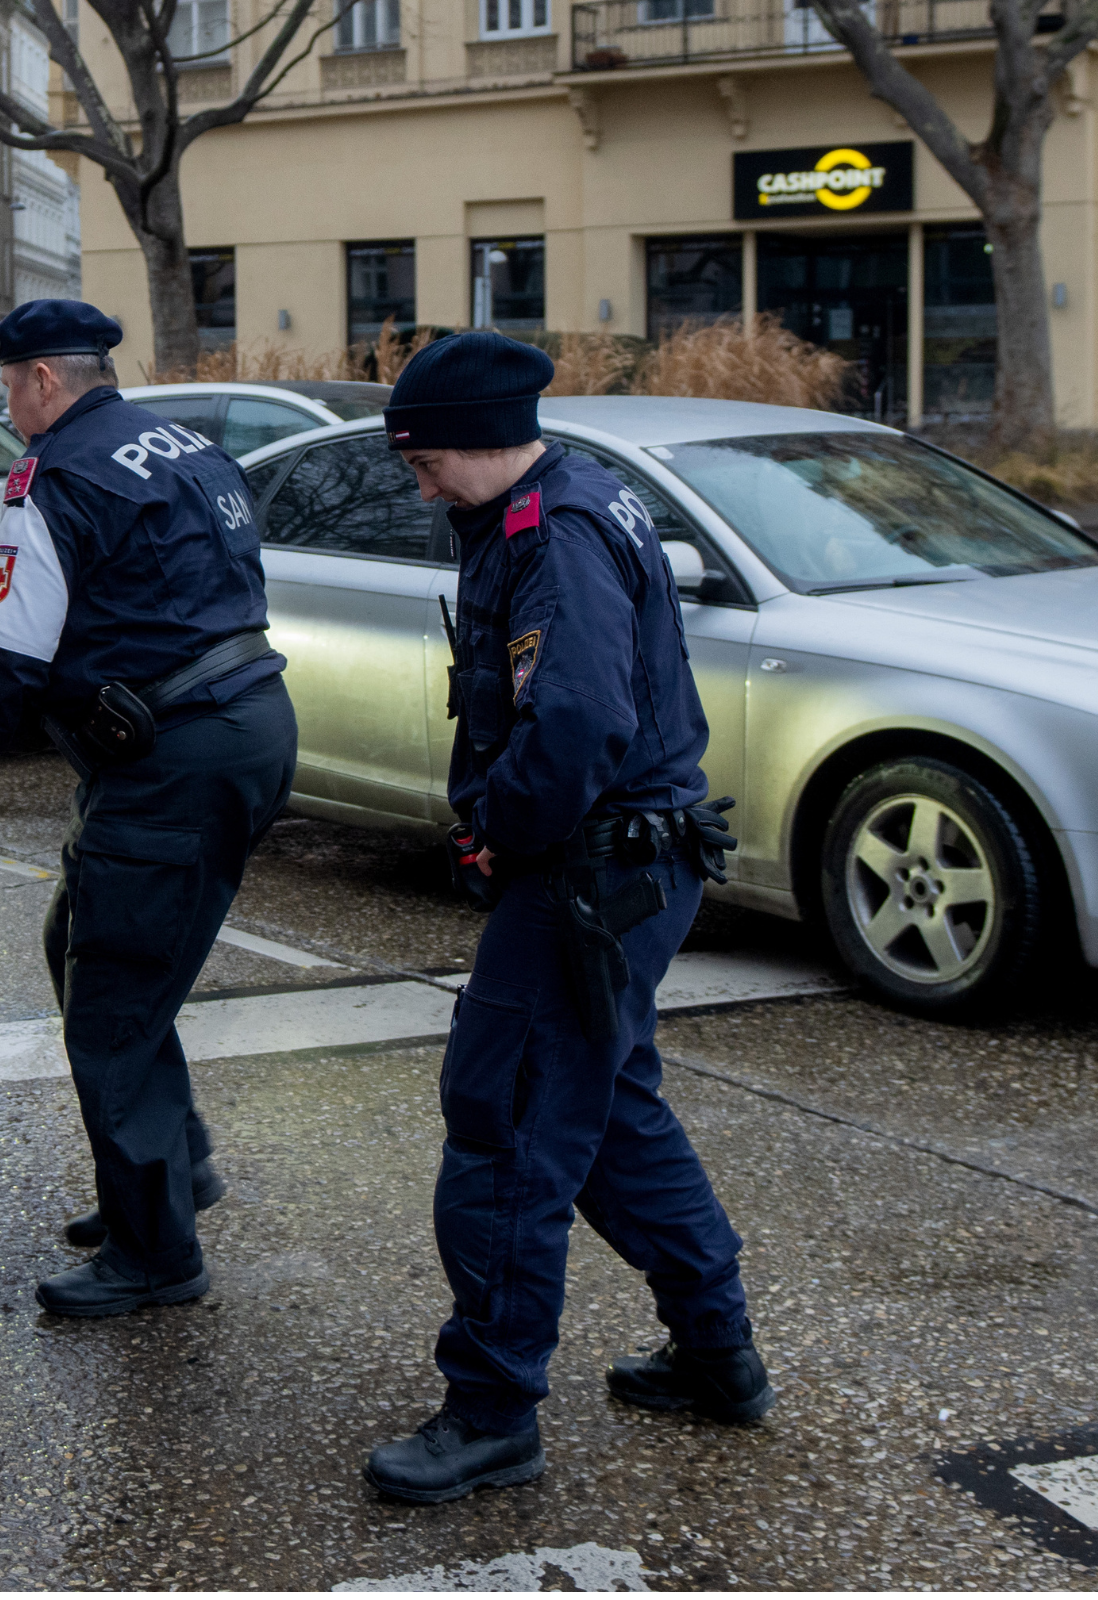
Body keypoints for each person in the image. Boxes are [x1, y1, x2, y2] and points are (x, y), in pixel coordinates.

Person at [362, 333, 772, 1505]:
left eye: (427, 461)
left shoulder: (556, 536)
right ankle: (716, 1354)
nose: (420, 484)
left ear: (485, 442)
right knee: (610, 1112)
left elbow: (577, 720)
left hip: (584, 871)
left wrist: (495, 826)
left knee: (504, 1123)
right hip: (628, 866)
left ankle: (490, 1412)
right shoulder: (576, 500)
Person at [0, 298, 297, 1318]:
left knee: (113, 1001)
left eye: (7, 386)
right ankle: (173, 1167)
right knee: (85, 941)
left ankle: (153, 1253)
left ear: (43, 379)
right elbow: (149, 594)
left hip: (170, 755)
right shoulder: (182, 446)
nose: (8, 405)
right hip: (236, 724)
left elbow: (7, 667)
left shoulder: (54, 474)